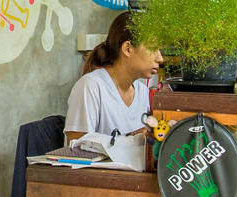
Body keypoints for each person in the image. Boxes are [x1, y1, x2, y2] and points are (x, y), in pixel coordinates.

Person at [65, 11, 163, 141]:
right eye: (152, 48)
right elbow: (76, 144)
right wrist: (133, 137)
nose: (160, 58)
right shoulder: (90, 86)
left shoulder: (142, 92)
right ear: (128, 48)